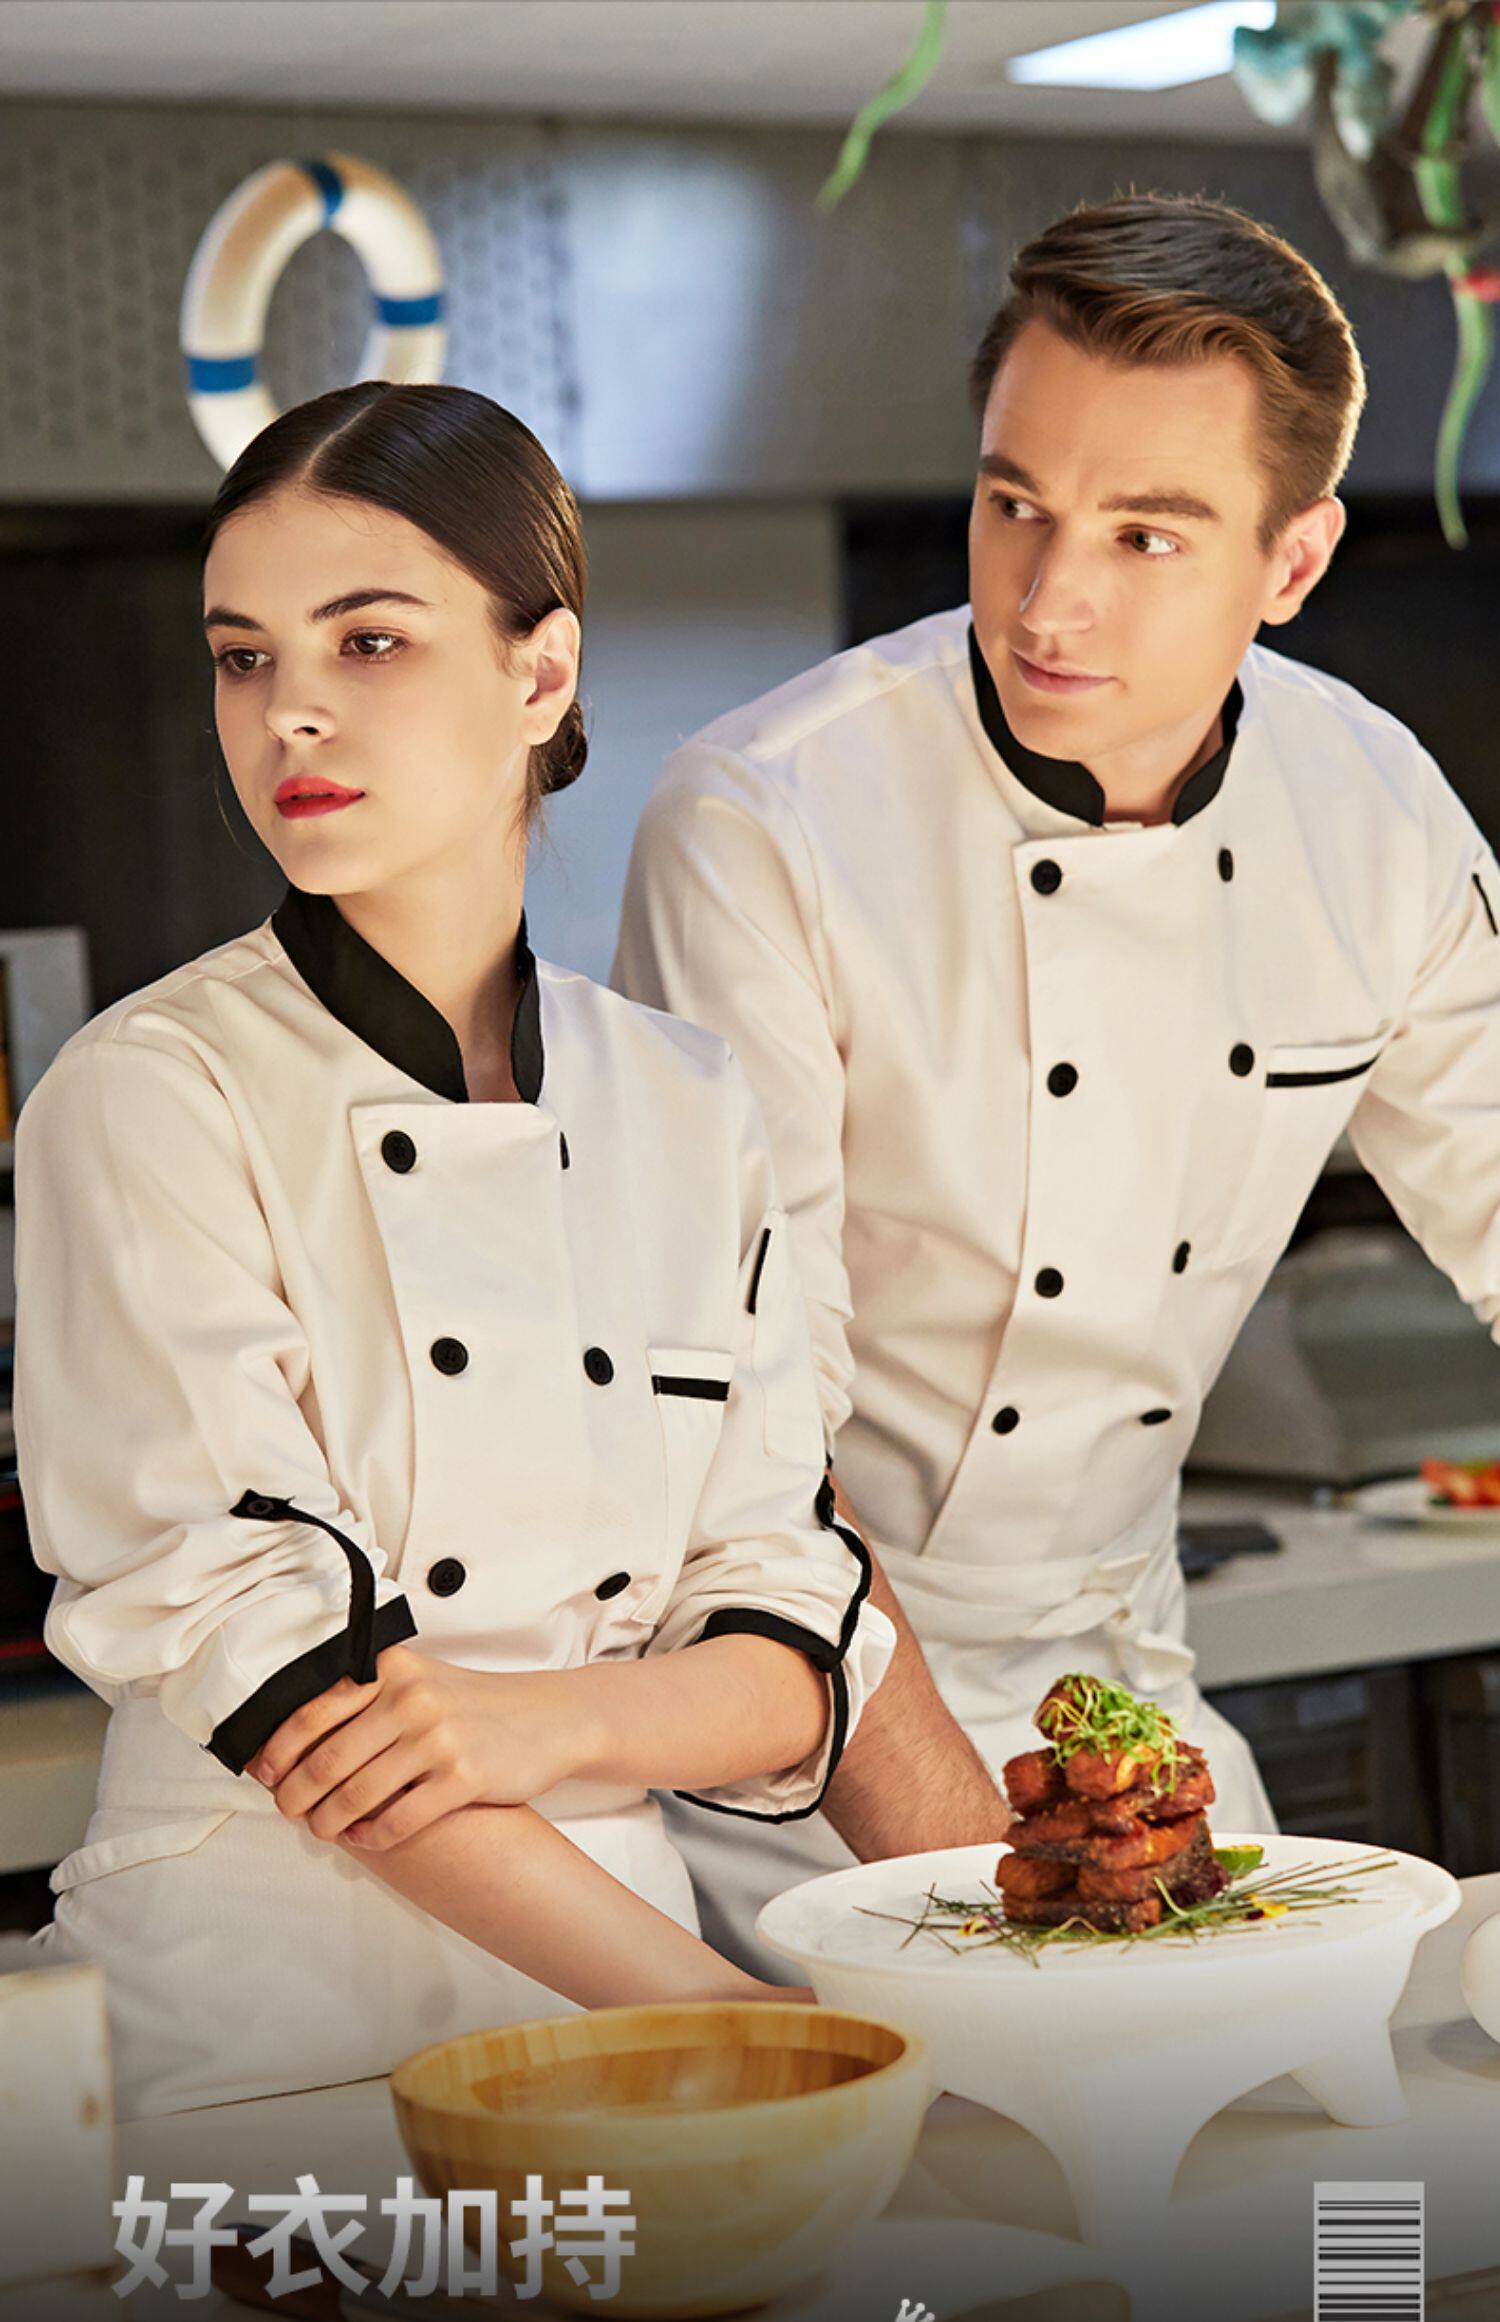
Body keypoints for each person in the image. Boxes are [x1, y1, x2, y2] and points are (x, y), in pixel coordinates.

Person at [613, 191, 1500, 1976]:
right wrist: (1026, 1923)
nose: (1046, 597)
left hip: (1120, 1674)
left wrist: (1102, 1871)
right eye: (1014, 502)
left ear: (1294, 564)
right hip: (793, 1720)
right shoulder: (768, 821)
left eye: (1145, 535)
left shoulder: (1372, 813)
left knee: (1323, 2110)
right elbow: (751, 1462)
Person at [14, 381, 894, 2116]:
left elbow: (793, 1637)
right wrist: (739, 2018)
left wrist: (541, 1725)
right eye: (244, 656)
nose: (289, 712)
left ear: (540, 674)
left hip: (629, 2028)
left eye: (369, 641)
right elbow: (285, 1676)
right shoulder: (151, 1090)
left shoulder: (684, 1098)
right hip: (265, 2038)